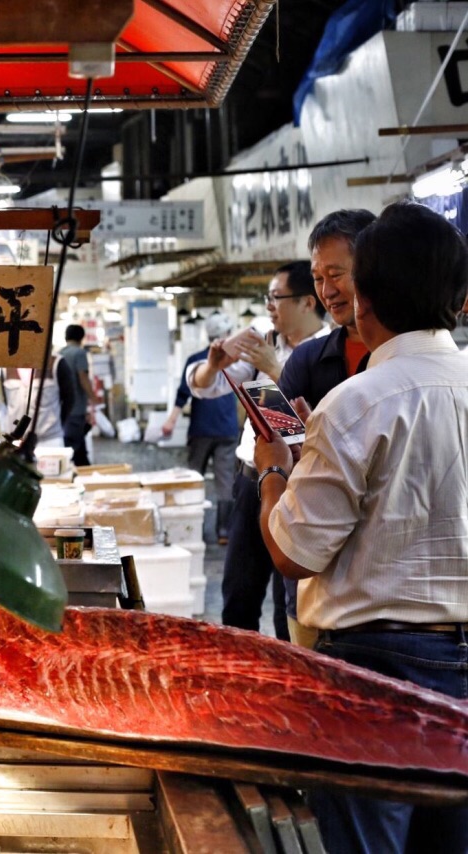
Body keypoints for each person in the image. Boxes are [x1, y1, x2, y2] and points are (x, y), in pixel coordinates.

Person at [255, 202, 468, 854]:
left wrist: (273, 471)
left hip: (367, 676)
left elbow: (295, 553)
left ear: (366, 299)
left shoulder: (356, 402)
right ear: (459, 299)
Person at [187, 261, 327, 641]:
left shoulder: (329, 352)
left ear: (306, 303)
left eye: (275, 297)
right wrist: (212, 366)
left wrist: (275, 367)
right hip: (251, 483)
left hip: (301, 486)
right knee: (239, 591)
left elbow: (322, 416)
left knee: (291, 599)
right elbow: (205, 385)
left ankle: (289, 679)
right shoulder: (263, 341)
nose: (268, 306)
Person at [276, 208, 376, 648]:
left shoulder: (401, 367)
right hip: (316, 582)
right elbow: (273, 443)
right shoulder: (306, 361)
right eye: (318, 277)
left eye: (336, 273)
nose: (326, 290)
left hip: (381, 589)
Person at [162, 312, 240, 544]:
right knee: (226, 482)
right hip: (227, 429)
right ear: (225, 334)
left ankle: (192, 528)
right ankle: (224, 532)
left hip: (201, 430)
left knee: (194, 478)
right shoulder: (235, 362)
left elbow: (182, 394)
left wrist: (171, 420)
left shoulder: (197, 360)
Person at [2, 356, 76, 451]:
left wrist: (54, 425)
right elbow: (7, 401)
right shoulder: (6, 366)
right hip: (16, 442)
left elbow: (69, 399)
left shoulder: (55, 363)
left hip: (49, 441)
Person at [58, 324, 97, 466]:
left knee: (78, 444)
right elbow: (83, 378)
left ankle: (84, 471)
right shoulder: (79, 353)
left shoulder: (59, 354)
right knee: (74, 445)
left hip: (63, 407)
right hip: (76, 407)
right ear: (81, 337)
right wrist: (93, 398)